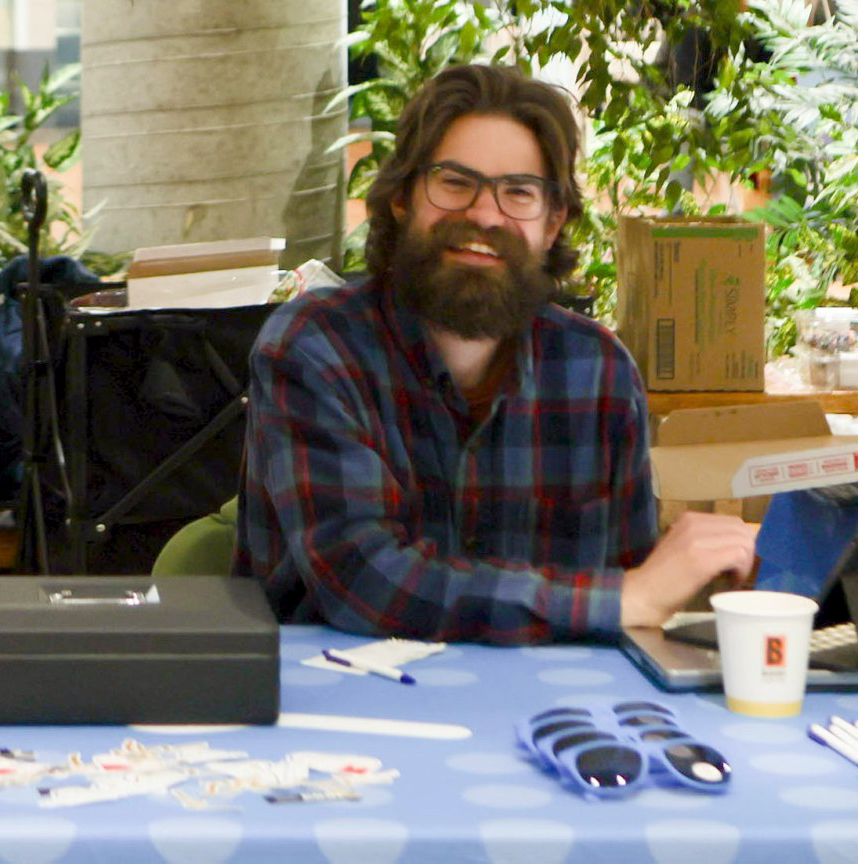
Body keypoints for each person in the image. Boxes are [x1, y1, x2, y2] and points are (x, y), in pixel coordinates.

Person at [236, 60, 757, 643]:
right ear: (403, 197)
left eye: (518, 193)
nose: (484, 214)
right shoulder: (314, 350)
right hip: (334, 694)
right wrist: (627, 597)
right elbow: (365, 579)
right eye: (454, 183)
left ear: (553, 223)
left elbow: (633, 611)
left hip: (547, 696)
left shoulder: (599, 375)